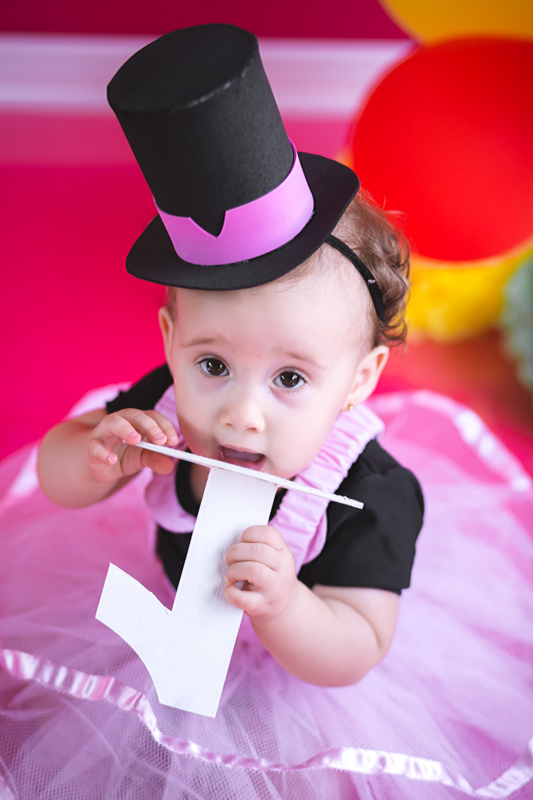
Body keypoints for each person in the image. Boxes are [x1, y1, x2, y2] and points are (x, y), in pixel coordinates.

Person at [1, 23, 532, 800]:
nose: (241, 414)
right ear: (170, 341)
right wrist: (92, 454)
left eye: (289, 378)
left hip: (302, 686)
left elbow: (355, 650)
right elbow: (59, 483)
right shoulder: (161, 407)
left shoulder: (374, 497)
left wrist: (285, 607)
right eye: (213, 366)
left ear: (359, 379)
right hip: (171, 633)